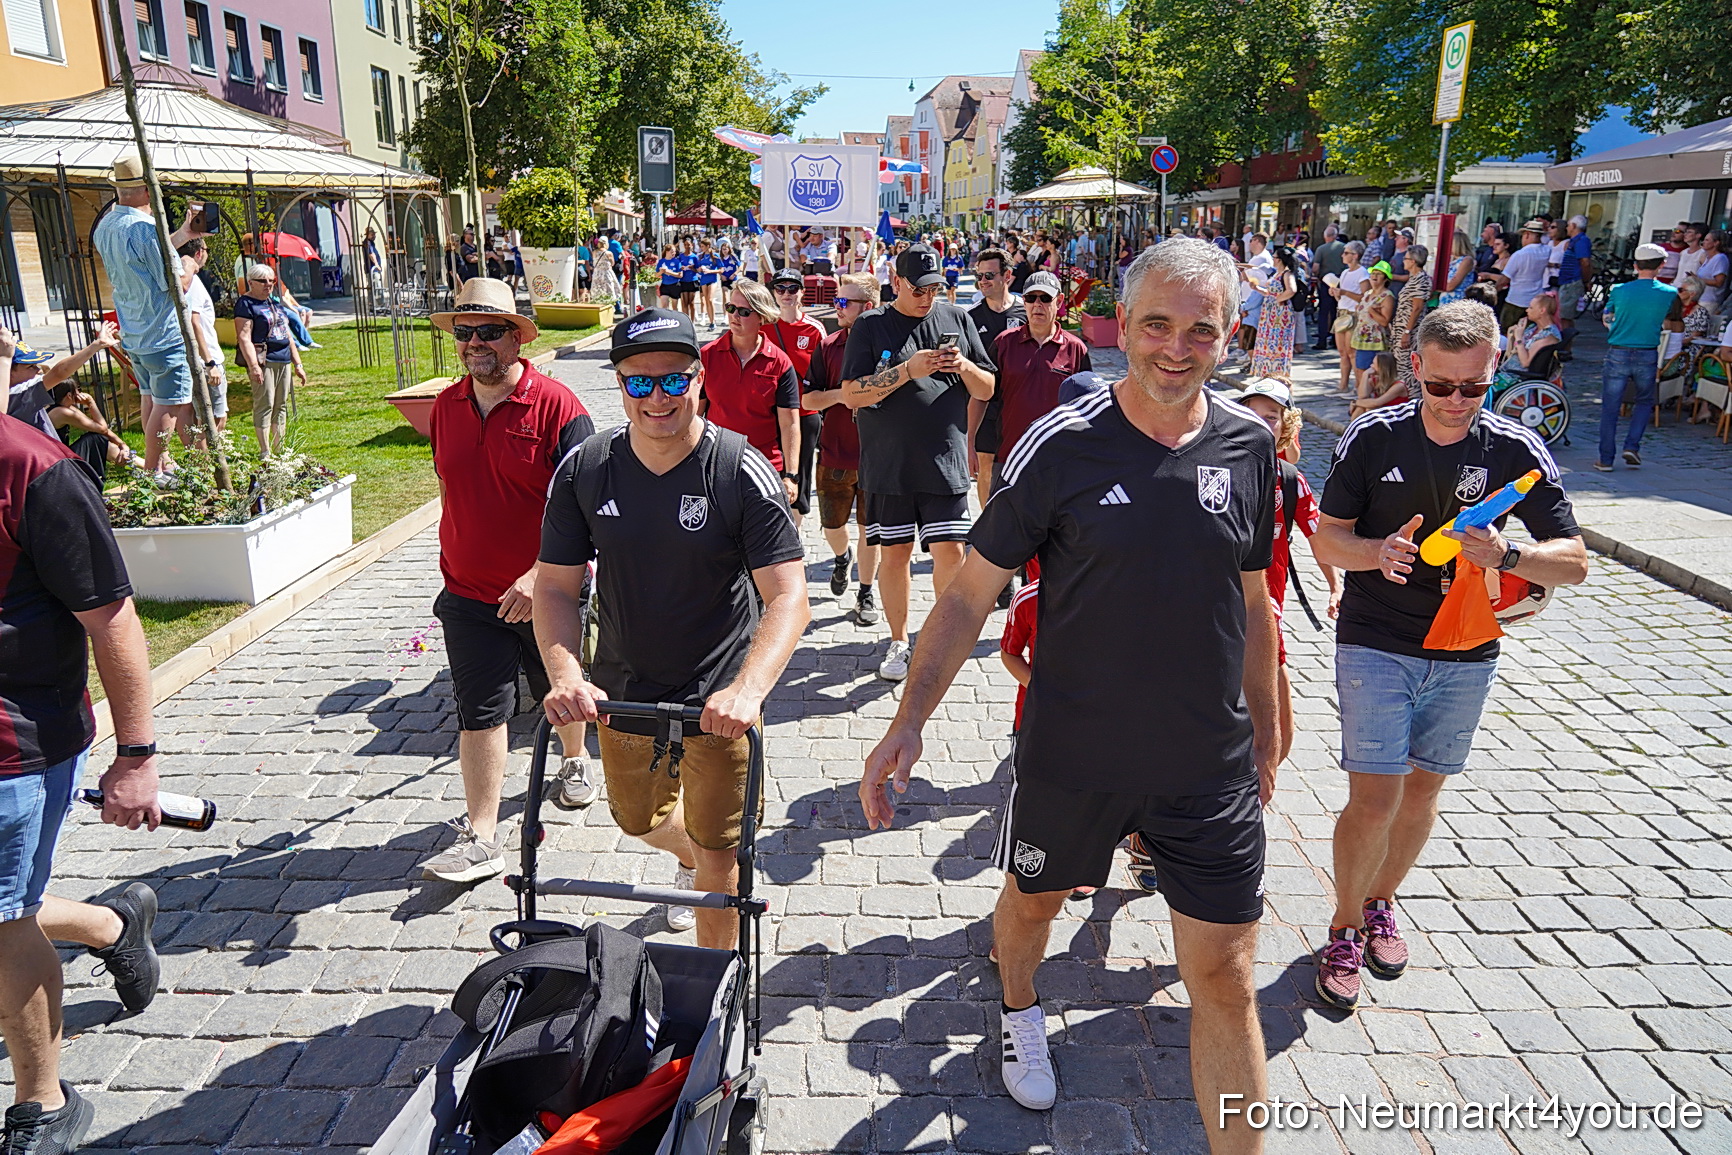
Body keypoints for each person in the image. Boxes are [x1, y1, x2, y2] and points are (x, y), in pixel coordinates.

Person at [858, 239, 1279, 1144]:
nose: (1176, 346)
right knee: (1033, 906)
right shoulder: (1063, 444)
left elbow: (1252, 602)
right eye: (1156, 324)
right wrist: (908, 720)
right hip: (1073, 756)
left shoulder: (1250, 445)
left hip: (1205, 766)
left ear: (1228, 334)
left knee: (1226, 977)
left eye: (1199, 328)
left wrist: (1269, 737)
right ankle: (1017, 1008)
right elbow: (971, 592)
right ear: (1119, 326)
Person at [1309, 300, 1588, 1013]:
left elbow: (1575, 561)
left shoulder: (1516, 449)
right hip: (1377, 639)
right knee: (1376, 795)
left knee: (1425, 790)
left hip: (1468, 649)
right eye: (1442, 386)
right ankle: (1342, 927)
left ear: (1493, 372)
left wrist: (1511, 552)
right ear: (1417, 371)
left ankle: (1381, 903)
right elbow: (1326, 536)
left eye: (1474, 387)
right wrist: (1377, 552)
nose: (1458, 401)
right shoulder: (1373, 438)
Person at [535, 308, 810, 947]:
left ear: (699, 381)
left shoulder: (738, 469)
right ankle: (693, 862)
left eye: (673, 381)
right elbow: (554, 585)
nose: (656, 397)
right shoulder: (585, 470)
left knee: (722, 855)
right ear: (619, 385)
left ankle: (716, 996)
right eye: (637, 382)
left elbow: (789, 595)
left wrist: (748, 690)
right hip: (624, 691)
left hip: (720, 699)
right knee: (637, 820)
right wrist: (566, 672)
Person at [0, 413, 169, 1155]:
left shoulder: (35, 470)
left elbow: (113, 618)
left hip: (14, 744)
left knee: (1, 919)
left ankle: (45, 1101)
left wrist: (136, 753)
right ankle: (111, 924)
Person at [419, 279, 597, 883]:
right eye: (464, 332)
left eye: (489, 331)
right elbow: (453, 490)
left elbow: (587, 512)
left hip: (546, 592)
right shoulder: (446, 407)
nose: (474, 343)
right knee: (480, 712)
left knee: (561, 687)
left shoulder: (560, 408)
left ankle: (574, 763)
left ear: (518, 338)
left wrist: (538, 576)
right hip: (468, 594)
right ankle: (482, 834)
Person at [840, 243, 995, 682]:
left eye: (935, 287)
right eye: (918, 288)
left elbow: (986, 388)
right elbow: (851, 394)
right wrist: (908, 370)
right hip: (888, 465)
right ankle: (899, 641)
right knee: (896, 554)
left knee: (951, 552)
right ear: (896, 283)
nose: (928, 297)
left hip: (944, 459)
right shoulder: (871, 325)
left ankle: (943, 635)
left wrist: (963, 365)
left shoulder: (956, 318)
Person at [1234, 378, 1341, 768]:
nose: (1261, 423)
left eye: (1271, 417)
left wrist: (1333, 586)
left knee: (1275, 707)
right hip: (1211, 607)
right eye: (1251, 414)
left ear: (1286, 427)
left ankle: (1264, 780)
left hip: (1265, 610)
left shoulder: (1291, 480)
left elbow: (1321, 537)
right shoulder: (1213, 466)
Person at [91, 153, 211, 479]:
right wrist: (190, 266)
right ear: (147, 188)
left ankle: (161, 464)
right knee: (169, 404)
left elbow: (147, 260)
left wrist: (183, 236)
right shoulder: (145, 228)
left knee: (150, 397)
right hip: (163, 330)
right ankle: (151, 470)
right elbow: (174, 283)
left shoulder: (107, 225)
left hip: (134, 330)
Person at [803, 273, 883, 624]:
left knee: (872, 530)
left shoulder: (888, 347)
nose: (836, 307)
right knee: (832, 527)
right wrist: (843, 395)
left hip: (879, 456)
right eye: (837, 300)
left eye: (843, 302)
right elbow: (807, 399)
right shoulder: (828, 345)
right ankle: (841, 557)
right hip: (835, 453)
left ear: (868, 307)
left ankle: (865, 594)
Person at [699, 279, 801, 501]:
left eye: (744, 311)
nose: (735, 316)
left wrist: (791, 475)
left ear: (761, 317)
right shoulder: (706, 356)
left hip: (764, 465)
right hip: (716, 462)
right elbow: (694, 416)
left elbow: (790, 423)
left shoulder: (780, 362)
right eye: (731, 308)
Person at [990, 271, 1092, 469]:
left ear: (1059, 301)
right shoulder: (1003, 343)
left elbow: (1088, 406)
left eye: (1045, 298)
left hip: (1059, 459)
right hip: (1010, 455)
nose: (1037, 304)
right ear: (1024, 302)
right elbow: (984, 397)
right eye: (1030, 298)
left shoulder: (1076, 348)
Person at [1597, 243, 1684, 471]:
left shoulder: (1619, 290)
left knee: (1611, 406)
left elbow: (1607, 318)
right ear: (1662, 266)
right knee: (1644, 401)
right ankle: (1632, 446)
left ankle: (1606, 459)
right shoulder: (1669, 293)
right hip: (1647, 352)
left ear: (1635, 265)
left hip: (1618, 350)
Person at [761, 269, 825, 528]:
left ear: (801, 292)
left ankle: (793, 534)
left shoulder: (814, 329)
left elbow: (824, 372)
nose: (786, 294)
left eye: (792, 288)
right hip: (770, 413)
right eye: (780, 288)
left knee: (798, 475)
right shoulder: (764, 326)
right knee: (770, 473)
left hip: (805, 414)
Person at [966, 247, 1027, 511]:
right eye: (979, 276)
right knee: (986, 468)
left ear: (1008, 276)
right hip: (985, 405)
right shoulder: (971, 317)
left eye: (989, 275)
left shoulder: (1026, 312)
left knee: (1022, 467)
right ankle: (986, 529)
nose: (983, 282)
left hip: (1020, 404)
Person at [232, 263, 307, 456]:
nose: (268, 285)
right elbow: (244, 337)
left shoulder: (274, 302)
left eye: (271, 281)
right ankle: (265, 450)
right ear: (251, 283)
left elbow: (287, 335)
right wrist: (254, 366)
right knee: (265, 403)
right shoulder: (246, 304)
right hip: (264, 360)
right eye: (262, 281)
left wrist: (297, 363)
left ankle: (279, 448)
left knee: (281, 405)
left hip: (283, 359)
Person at [177, 237, 228, 437]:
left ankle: (199, 462)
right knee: (216, 418)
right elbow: (194, 322)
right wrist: (210, 362)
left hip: (192, 357)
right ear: (199, 253)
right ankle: (209, 463)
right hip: (205, 358)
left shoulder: (181, 279)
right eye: (206, 249)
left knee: (194, 415)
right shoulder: (194, 282)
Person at [1493, 293, 1562, 392]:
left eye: (1531, 307)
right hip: (1508, 370)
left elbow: (1525, 362)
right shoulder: (1533, 328)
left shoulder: (1548, 336)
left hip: (1517, 377)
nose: (1527, 310)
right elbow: (1514, 349)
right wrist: (1514, 334)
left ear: (1542, 311)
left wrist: (1519, 337)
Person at [1249, 245, 1298, 379]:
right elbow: (1270, 293)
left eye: (1275, 257)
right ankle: (1267, 373)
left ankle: (1278, 374)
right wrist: (1257, 288)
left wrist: (1277, 300)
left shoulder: (1287, 274)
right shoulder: (1277, 274)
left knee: (1277, 343)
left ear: (1280, 259)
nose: (1273, 259)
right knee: (1267, 342)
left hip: (1279, 315)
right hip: (1269, 314)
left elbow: (1291, 290)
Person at [1390, 245, 1432, 399]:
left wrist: (1407, 332)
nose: (1403, 262)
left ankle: (1413, 402)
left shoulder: (1421, 279)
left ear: (1413, 261)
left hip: (1410, 330)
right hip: (1402, 328)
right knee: (1401, 366)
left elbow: (1417, 307)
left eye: (1406, 259)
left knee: (1408, 368)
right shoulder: (1413, 278)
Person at [1498, 220, 1552, 331]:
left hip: (1516, 299)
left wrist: (1494, 291)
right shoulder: (1547, 251)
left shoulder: (1519, 255)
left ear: (1527, 234)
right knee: (1529, 332)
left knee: (1507, 330)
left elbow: (1504, 279)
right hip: (1535, 300)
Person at [1332, 241, 1369, 394]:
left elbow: (1365, 297)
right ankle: (1343, 385)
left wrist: (1344, 293)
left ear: (1355, 256)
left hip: (1354, 314)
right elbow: (1342, 296)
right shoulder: (1345, 272)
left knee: (1352, 352)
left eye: (1346, 253)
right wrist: (1336, 293)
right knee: (1342, 351)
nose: (1343, 255)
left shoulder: (1362, 273)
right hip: (1342, 312)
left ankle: (1358, 387)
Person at [1554, 215, 1594, 354]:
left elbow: (1585, 262)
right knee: (1564, 315)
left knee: (1566, 316)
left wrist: (1585, 280)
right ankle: (1565, 346)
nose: (1566, 228)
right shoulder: (1574, 241)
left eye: (1569, 225)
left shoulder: (1581, 241)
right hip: (1568, 281)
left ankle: (1566, 348)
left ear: (1574, 226)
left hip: (1572, 281)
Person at [1312, 225, 1347, 349]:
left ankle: (1322, 341)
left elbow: (1316, 267)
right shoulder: (1344, 248)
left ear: (1325, 236)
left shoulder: (1321, 249)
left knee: (1323, 312)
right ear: (1335, 236)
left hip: (1326, 282)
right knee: (1336, 311)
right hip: (1341, 282)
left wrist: (1315, 275)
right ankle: (1335, 339)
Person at [1349, 352, 1404, 421]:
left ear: (1382, 367)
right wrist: (1365, 375)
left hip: (1396, 415)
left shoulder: (1399, 385)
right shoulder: (1375, 380)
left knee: (1369, 408)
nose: (1371, 366)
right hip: (1383, 412)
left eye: (1374, 364)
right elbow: (1362, 396)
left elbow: (1377, 402)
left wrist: (1355, 402)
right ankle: (1352, 429)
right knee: (1362, 407)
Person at [1436, 230, 1476, 306]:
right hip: (1445, 300)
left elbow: (1452, 285)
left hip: (1456, 301)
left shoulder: (1466, 260)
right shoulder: (1452, 260)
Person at [1696, 229, 1728, 314]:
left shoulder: (1720, 258)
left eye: (1707, 240)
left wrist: (1698, 279)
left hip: (1709, 301)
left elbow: (1718, 282)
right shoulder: (1707, 258)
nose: (1703, 242)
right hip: (1700, 298)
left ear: (1716, 243)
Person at [695, 237, 721, 329]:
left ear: (708, 246)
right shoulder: (700, 256)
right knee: (706, 300)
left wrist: (711, 271)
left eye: (703, 246)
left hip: (712, 279)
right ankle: (710, 321)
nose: (701, 248)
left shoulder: (715, 256)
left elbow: (721, 269)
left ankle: (713, 321)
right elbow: (697, 268)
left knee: (710, 299)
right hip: (703, 280)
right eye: (701, 246)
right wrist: (698, 269)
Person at [591, 236, 621, 307]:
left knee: (598, 291)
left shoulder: (594, 252)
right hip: (606, 273)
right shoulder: (609, 253)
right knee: (609, 290)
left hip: (597, 273)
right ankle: (612, 307)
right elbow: (612, 263)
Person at [656, 242, 682, 308]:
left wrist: (669, 272)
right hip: (665, 285)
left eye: (675, 252)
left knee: (674, 306)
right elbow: (656, 275)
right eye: (672, 251)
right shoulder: (661, 261)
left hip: (674, 285)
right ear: (667, 252)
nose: (674, 253)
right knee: (664, 305)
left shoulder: (676, 261)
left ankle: (675, 318)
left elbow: (680, 275)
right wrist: (661, 272)